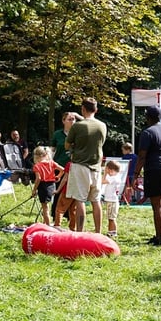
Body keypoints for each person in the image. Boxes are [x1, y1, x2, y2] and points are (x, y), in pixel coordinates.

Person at [133, 105, 161, 245]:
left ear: (148, 117)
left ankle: (159, 238)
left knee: (156, 204)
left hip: (156, 169)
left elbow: (142, 156)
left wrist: (135, 174)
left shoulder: (147, 133)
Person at [65, 98, 107, 233]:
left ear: (83, 109)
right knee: (96, 200)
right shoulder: (102, 125)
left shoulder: (77, 126)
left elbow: (67, 145)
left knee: (80, 200)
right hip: (96, 166)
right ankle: (98, 232)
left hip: (80, 166)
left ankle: (80, 232)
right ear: (96, 110)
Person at [31, 146, 63, 226]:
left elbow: (38, 178)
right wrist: (58, 176)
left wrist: (34, 190)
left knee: (45, 208)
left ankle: (47, 225)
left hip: (43, 186)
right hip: (52, 185)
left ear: (36, 156)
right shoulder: (51, 163)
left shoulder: (37, 166)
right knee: (47, 205)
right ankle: (46, 222)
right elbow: (63, 169)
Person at [53, 161, 77, 230]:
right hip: (78, 191)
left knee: (60, 209)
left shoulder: (70, 164)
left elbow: (65, 178)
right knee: (73, 211)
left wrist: (58, 190)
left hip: (68, 190)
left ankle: (57, 226)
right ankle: (73, 228)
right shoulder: (83, 164)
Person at [101, 160, 122, 237]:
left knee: (111, 218)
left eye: (108, 170)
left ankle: (113, 232)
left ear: (111, 170)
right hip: (112, 200)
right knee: (111, 217)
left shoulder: (113, 178)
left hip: (112, 201)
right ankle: (111, 231)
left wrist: (105, 173)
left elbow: (102, 181)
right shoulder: (116, 177)